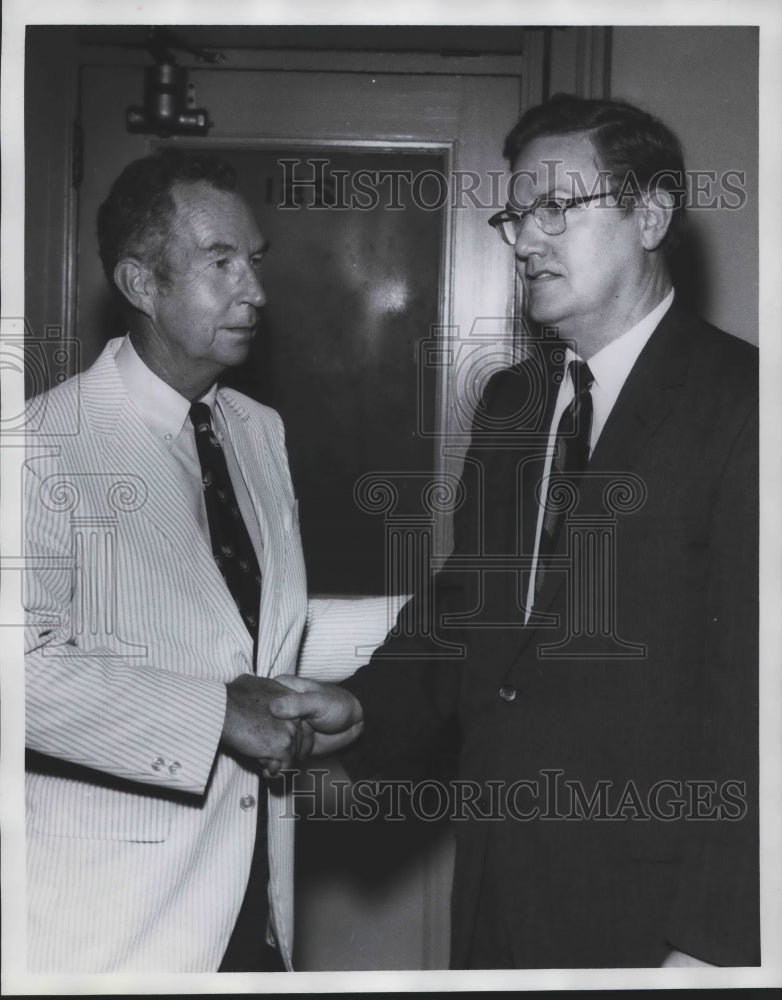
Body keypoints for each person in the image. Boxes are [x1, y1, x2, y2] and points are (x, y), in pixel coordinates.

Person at [270, 94, 759, 969]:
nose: (525, 239)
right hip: (499, 879)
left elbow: (757, 695)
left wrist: (717, 943)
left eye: (554, 210)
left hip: (660, 915)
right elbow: (474, 605)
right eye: (515, 215)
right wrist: (363, 707)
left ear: (649, 214)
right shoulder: (513, 404)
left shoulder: (747, 404)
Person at [24, 150, 310, 972]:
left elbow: (262, 633)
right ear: (141, 284)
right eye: (220, 263)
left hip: (250, 903)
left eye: (253, 261)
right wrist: (218, 713)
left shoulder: (256, 429)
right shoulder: (40, 446)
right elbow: (17, 672)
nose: (254, 290)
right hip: (110, 934)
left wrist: (455, 621)